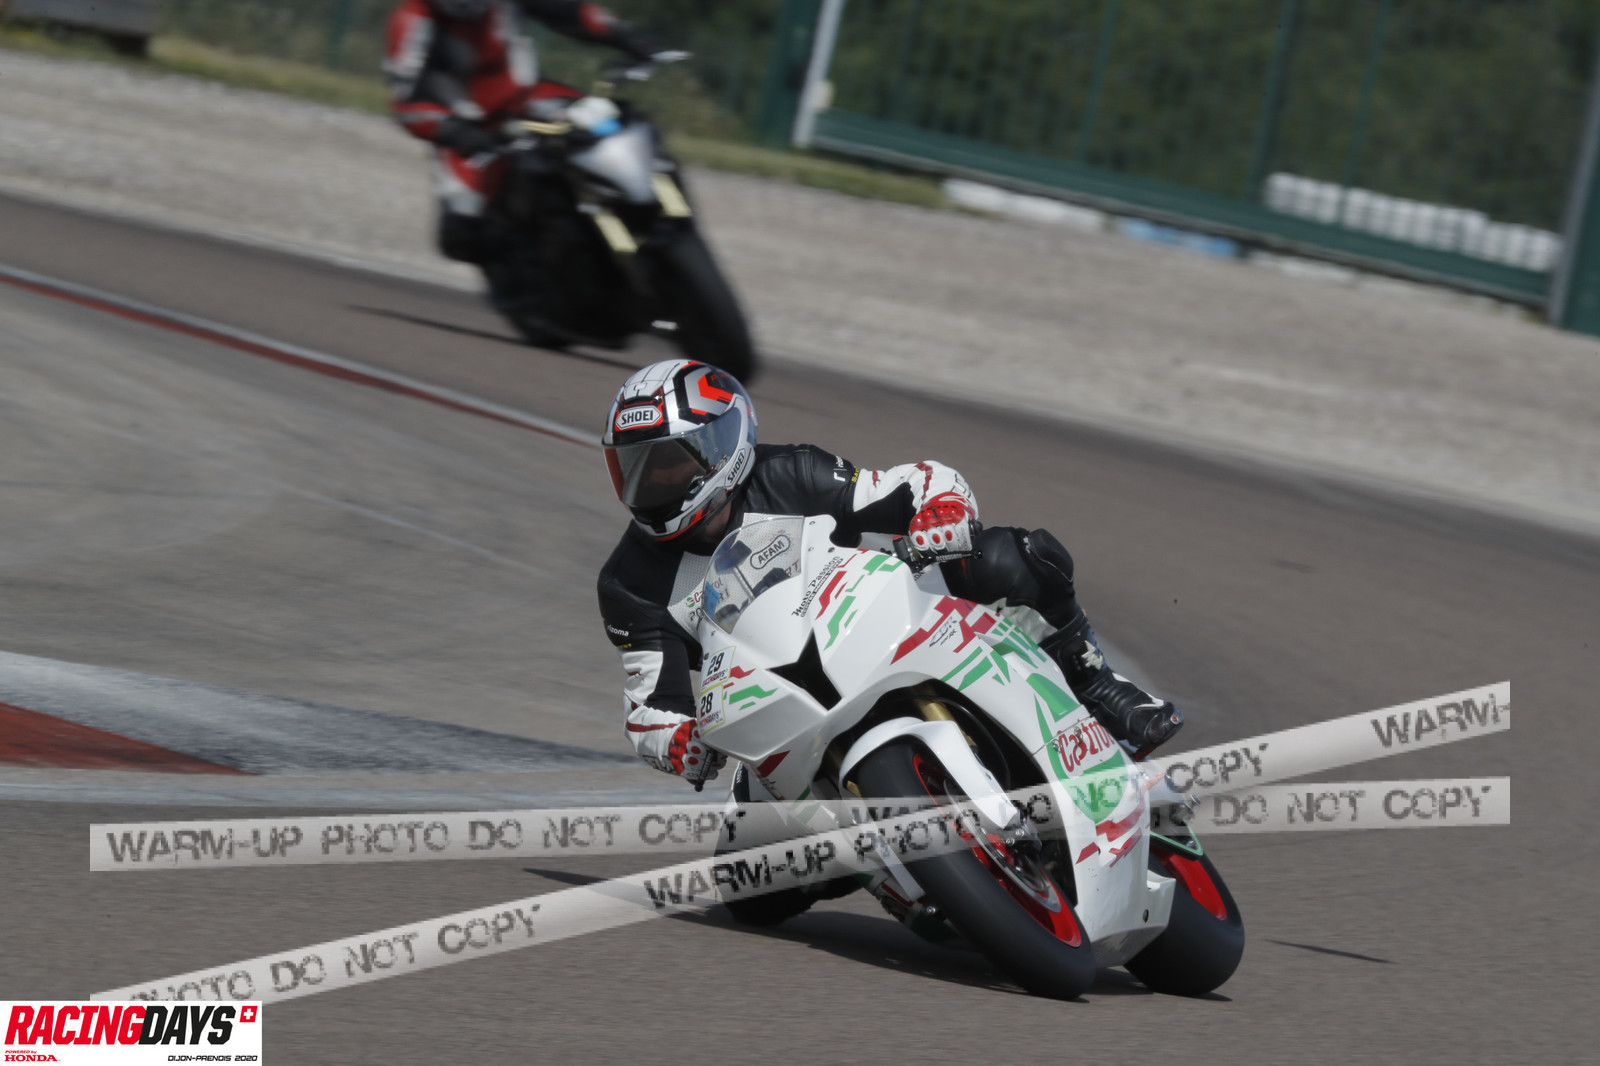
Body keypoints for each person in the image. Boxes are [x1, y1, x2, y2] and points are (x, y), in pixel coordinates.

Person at [596, 359, 1185, 787]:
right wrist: (678, 741)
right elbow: (649, 707)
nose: (650, 485)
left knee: (1009, 557)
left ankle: (1095, 684)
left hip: (873, 623)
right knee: (749, 886)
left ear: (720, 447)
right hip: (777, 714)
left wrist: (941, 512)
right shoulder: (628, 584)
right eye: (634, 469)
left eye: (666, 465)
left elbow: (917, 482)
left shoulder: (792, 472)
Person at [383, 0, 665, 308]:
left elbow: (569, 11)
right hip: (468, 128)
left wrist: (622, 33)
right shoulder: (410, 17)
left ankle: (653, 205)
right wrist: (452, 130)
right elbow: (405, 102)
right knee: (460, 232)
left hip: (530, 98)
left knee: (617, 124)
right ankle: (531, 291)